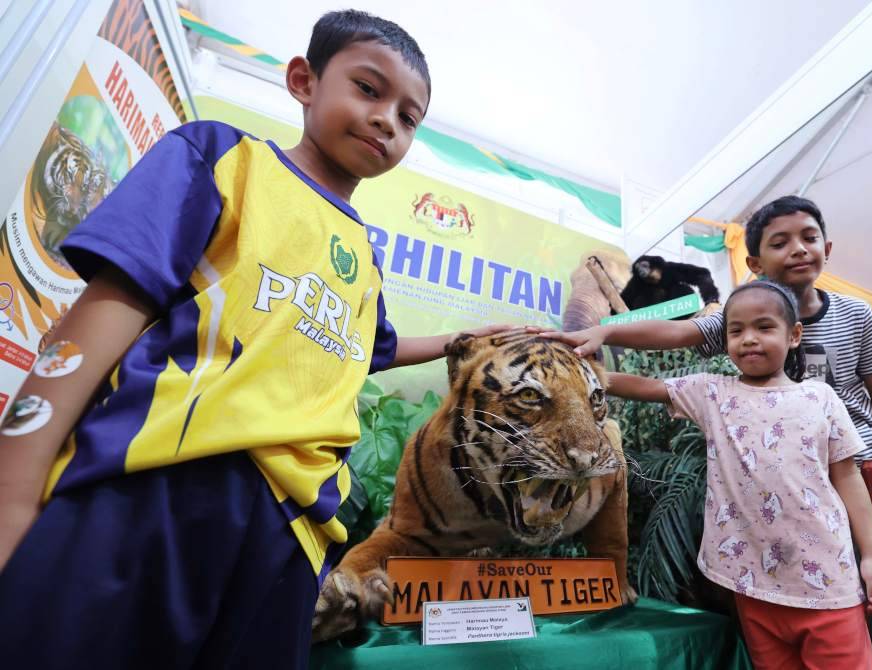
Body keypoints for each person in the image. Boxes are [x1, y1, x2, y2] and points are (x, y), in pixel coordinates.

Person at [0, 10, 508, 669]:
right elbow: (105, 314)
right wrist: (14, 485)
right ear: (304, 80)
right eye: (368, 88)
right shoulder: (222, 158)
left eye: (410, 117)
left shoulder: (363, 256)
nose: (388, 120)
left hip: (291, 541)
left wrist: (458, 339)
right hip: (157, 491)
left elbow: (370, 351)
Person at [544, 195, 872, 669]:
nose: (798, 249)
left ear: (827, 247)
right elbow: (676, 336)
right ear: (755, 261)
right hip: (786, 508)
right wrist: (606, 335)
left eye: (809, 237)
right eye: (781, 242)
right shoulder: (739, 321)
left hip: (864, 476)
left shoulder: (856, 315)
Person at [609, 280, 872, 669]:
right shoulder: (712, 394)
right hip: (751, 584)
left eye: (764, 327)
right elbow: (647, 387)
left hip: (827, 583)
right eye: (736, 330)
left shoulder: (820, 397)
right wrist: (587, 375)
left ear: (794, 335)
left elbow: (848, 478)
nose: (749, 339)